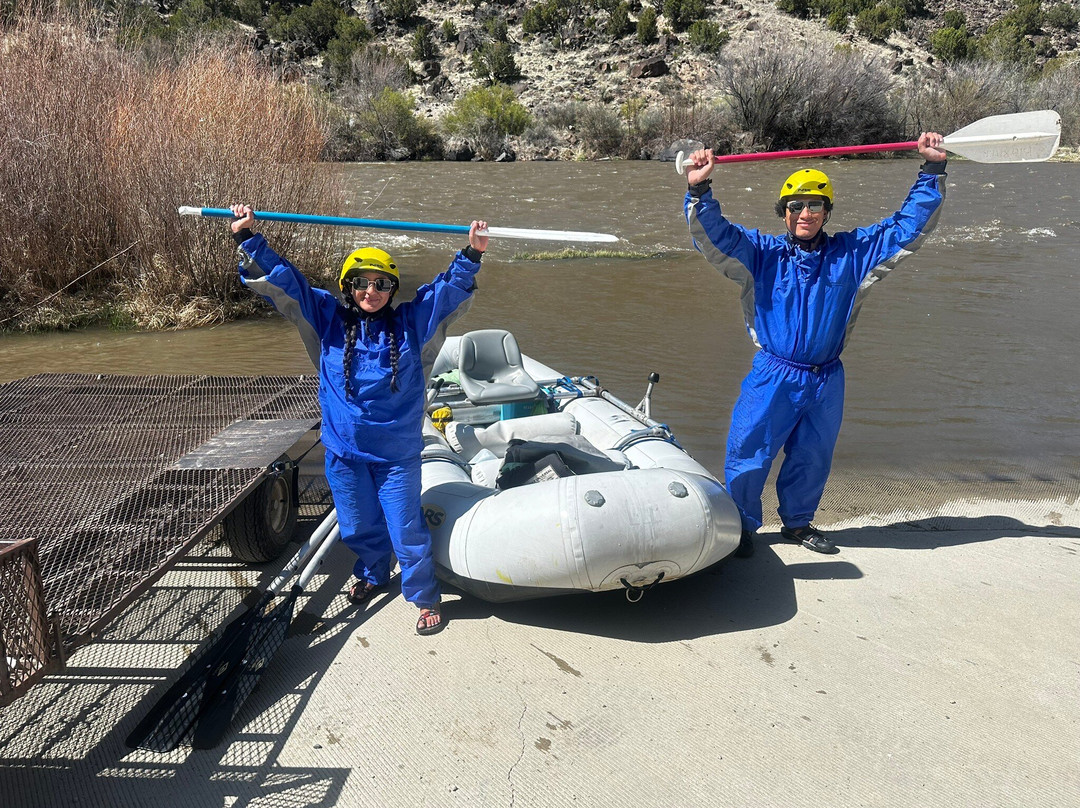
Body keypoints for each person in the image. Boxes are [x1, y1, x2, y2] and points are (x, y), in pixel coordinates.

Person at [683, 133, 947, 557]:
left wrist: (931, 169)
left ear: (827, 212)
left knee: (813, 456)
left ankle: (799, 524)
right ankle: (741, 530)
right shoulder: (760, 253)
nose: (805, 213)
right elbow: (714, 236)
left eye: (815, 205)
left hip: (826, 377)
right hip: (773, 374)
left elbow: (906, 226)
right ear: (783, 213)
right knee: (748, 453)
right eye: (796, 206)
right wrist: (699, 189)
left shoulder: (853, 253)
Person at [229, 203, 488, 634]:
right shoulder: (325, 319)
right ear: (349, 287)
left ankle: (424, 598)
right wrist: (247, 238)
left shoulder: (412, 323)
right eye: (362, 283)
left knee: (406, 530)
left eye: (382, 283)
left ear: (392, 288)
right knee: (356, 527)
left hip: (396, 457)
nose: (372, 291)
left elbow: (446, 293)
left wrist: (472, 254)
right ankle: (371, 573)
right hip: (345, 455)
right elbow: (286, 284)